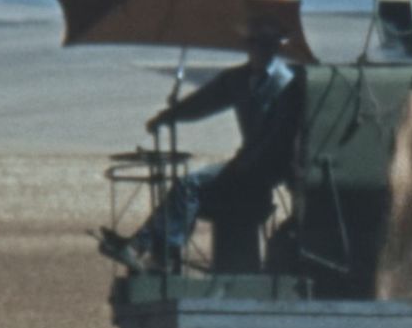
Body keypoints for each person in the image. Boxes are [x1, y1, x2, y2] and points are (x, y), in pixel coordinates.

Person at [108, 19, 303, 272]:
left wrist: (248, 163)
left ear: (276, 47)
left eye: (267, 44)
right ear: (248, 46)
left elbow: (279, 136)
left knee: (190, 185)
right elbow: (204, 102)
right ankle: (145, 247)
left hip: (265, 171)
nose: (260, 49)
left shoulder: (285, 84)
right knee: (187, 191)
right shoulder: (238, 79)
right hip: (244, 164)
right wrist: (169, 115)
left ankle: (160, 254)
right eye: (255, 43)